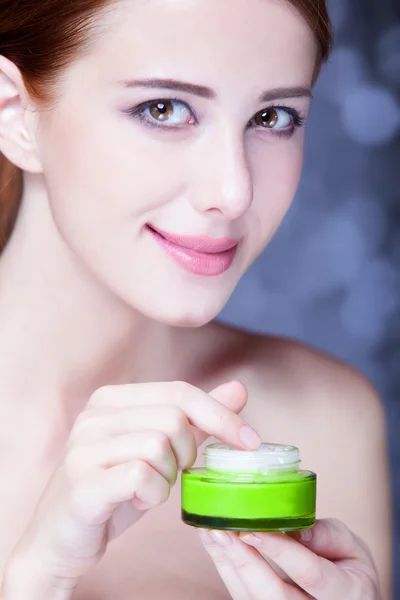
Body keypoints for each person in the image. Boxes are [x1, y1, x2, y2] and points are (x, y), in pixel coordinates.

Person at [0, 0, 392, 598]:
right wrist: (35, 583)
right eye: (164, 109)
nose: (234, 192)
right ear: (12, 114)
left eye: (273, 117)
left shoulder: (323, 420)